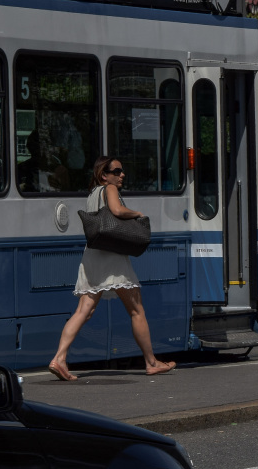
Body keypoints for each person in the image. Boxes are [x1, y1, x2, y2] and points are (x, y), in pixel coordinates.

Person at [48, 157, 176, 381]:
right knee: (137, 311)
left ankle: (59, 358)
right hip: (112, 258)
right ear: (103, 175)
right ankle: (152, 362)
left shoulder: (92, 195)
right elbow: (116, 211)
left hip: (92, 256)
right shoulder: (109, 188)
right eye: (116, 171)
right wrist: (137, 214)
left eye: (122, 171)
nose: (121, 175)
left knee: (83, 311)